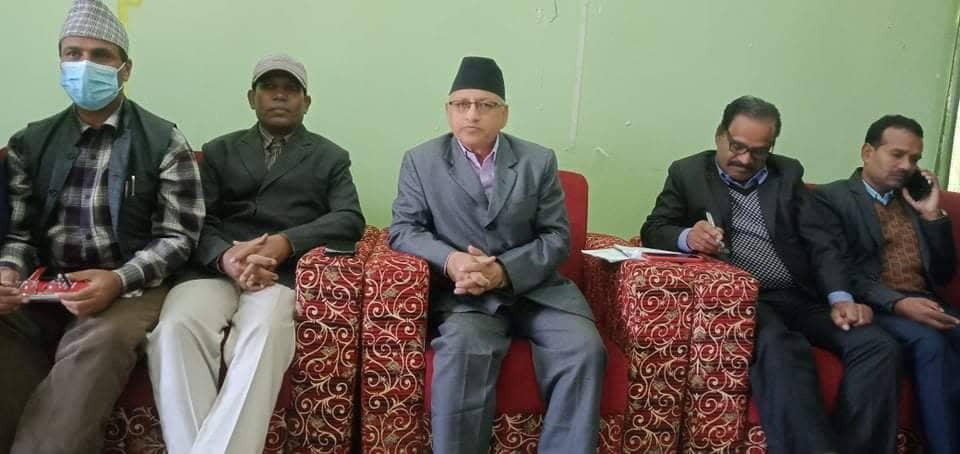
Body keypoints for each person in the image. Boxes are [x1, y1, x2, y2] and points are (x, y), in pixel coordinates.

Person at [640, 95, 900, 453]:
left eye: (759, 152)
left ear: (772, 147)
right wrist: (688, 236)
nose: (745, 159)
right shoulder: (688, 173)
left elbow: (821, 243)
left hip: (799, 295)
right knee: (781, 347)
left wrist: (840, 298)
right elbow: (654, 228)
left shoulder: (787, 174)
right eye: (737, 146)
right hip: (748, 300)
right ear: (719, 135)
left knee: (878, 346)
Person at [0, 0, 204, 452]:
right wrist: (9, 273)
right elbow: (17, 234)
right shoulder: (29, 143)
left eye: (100, 56)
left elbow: (178, 237)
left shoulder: (163, 141)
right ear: (60, 62)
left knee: (102, 338)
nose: (84, 66)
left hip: (128, 286)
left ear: (125, 69)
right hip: (46, 284)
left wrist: (118, 279)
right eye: (73, 54)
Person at [146, 53, 365, 454]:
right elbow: (195, 220)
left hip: (278, 274)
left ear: (306, 102)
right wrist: (226, 257)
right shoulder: (219, 151)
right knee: (174, 328)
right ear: (252, 98)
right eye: (269, 87)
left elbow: (350, 219)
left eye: (291, 89)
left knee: (265, 336)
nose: (280, 96)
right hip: (215, 269)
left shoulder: (329, 156)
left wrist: (285, 242)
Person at [389, 56, 606, 454]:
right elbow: (404, 230)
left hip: (538, 291)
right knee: (463, 351)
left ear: (503, 114)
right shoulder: (421, 161)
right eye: (462, 104)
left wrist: (504, 271)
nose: (472, 114)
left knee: (583, 349)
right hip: (465, 296)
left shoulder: (538, 160)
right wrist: (453, 261)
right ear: (448, 111)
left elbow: (557, 236)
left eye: (485, 105)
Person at [812, 114, 959, 454]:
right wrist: (898, 303)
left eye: (914, 159)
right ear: (868, 152)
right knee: (930, 345)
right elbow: (839, 269)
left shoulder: (913, 200)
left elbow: (943, 273)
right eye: (897, 155)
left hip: (925, 301)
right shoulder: (832, 198)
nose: (907, 166)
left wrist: (931, 214)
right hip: (876, 306)